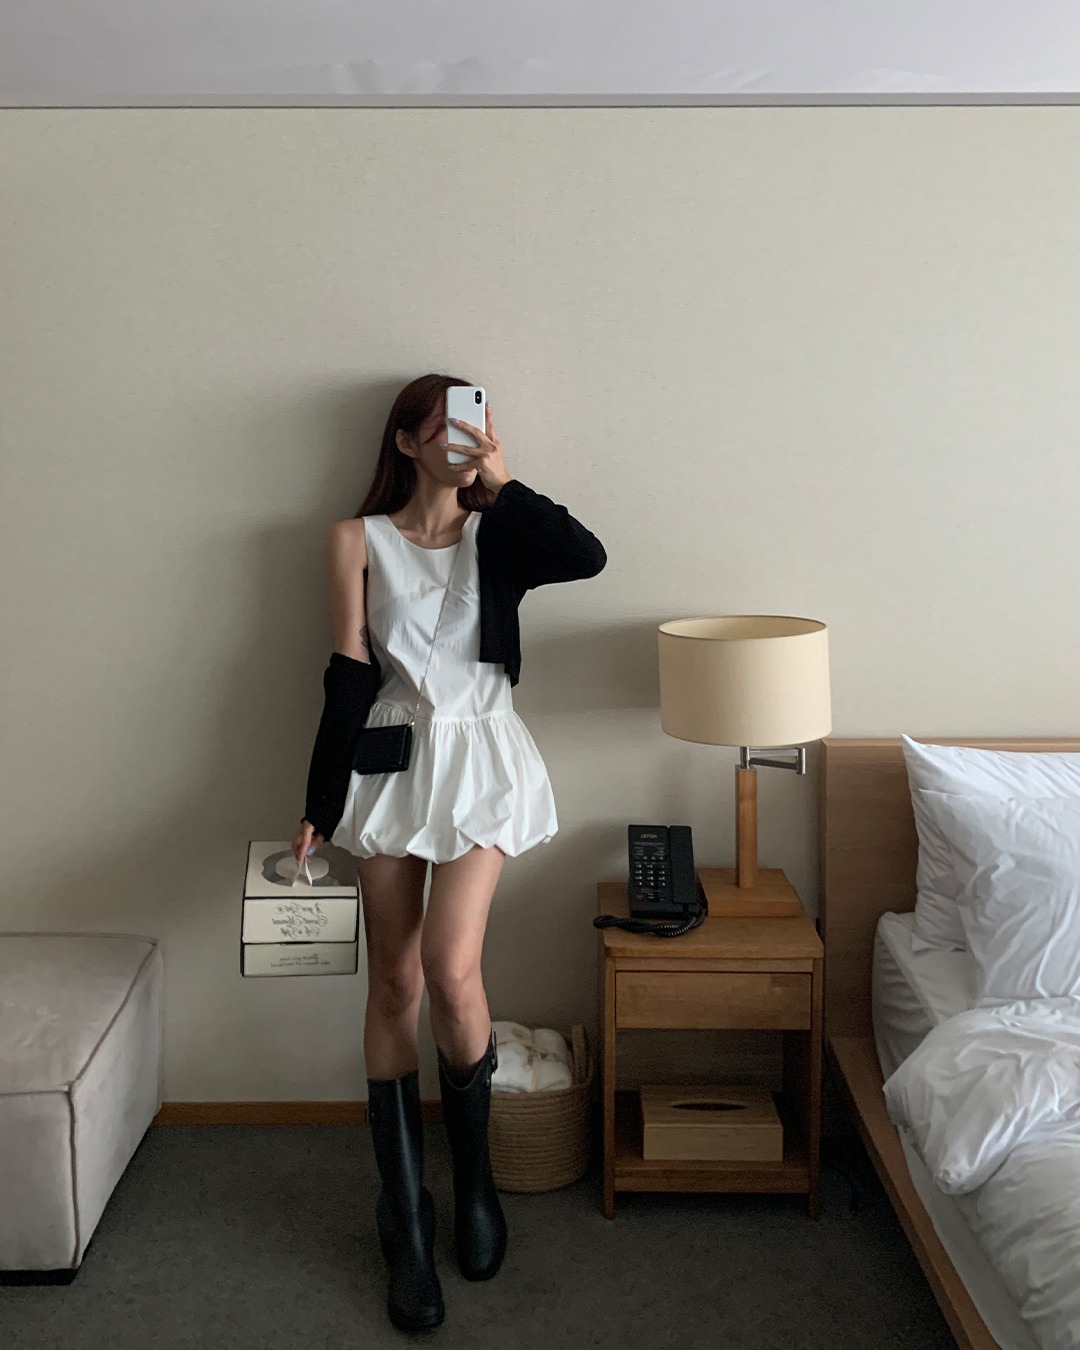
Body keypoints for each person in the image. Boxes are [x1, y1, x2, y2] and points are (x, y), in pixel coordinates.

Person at [291, 373, 607, 1333]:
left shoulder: (499, 531)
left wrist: (503, 482)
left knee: (450, 968)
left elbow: (587, 556)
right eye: (446, 427)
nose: (465, 439)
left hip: (484, 758)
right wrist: (316, 803)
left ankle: (475, 1187)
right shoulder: (356, 540)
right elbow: (350, 671)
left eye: (479, 425)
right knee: (393, 979)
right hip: (390, 759)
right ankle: (406, 1214)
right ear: (405, 439)